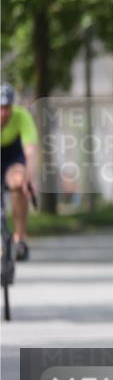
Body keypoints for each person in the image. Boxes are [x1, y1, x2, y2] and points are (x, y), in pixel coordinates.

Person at [0, 84, 38, 261]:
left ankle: (20, 237)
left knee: (18, 182)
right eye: (0, 108)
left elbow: (30, 152)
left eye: (7, 108)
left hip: (13, 158)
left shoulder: (22, 116)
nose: (4, 113)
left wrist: (28, 180)